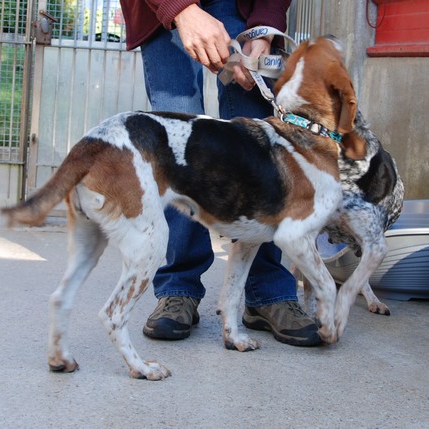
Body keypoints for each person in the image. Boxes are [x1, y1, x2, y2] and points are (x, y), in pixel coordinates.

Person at [119, 0, 321, 347]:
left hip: (239, 6)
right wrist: (179, 10)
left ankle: (267, 291)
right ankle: (179, 286)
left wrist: (264, 26)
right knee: (177, 136)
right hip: (161, 10)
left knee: (260, 136)